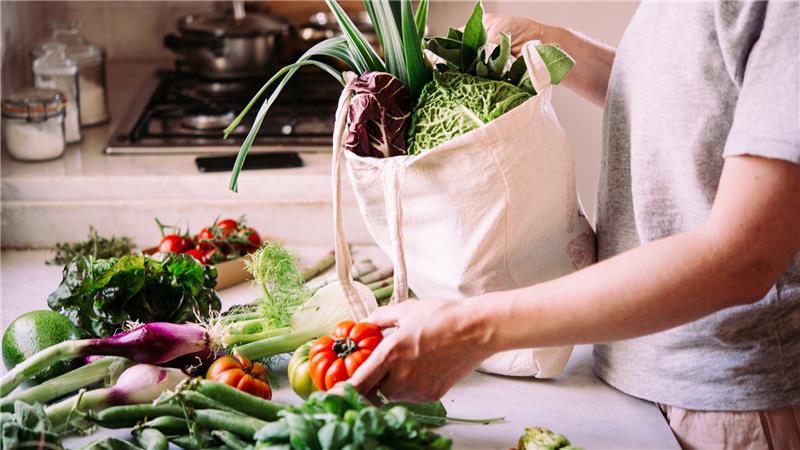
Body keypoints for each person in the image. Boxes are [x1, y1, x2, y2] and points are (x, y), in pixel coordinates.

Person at [345, 2, 800, 449]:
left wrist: (472, 329)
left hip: (728, 405)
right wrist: (551, 42)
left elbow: (745, 257)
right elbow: (698, 98)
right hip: (635, 374)